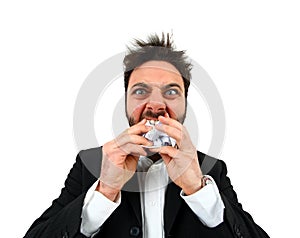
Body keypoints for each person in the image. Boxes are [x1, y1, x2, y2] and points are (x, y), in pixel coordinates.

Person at [24, 33, 270, 238]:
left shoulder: (210, 169)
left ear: (185, 104)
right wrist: (105, 191)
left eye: (171, 92)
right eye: (141, 91)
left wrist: (198, 189)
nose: (155, 104)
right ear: (126, 102)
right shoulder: (89, 165)